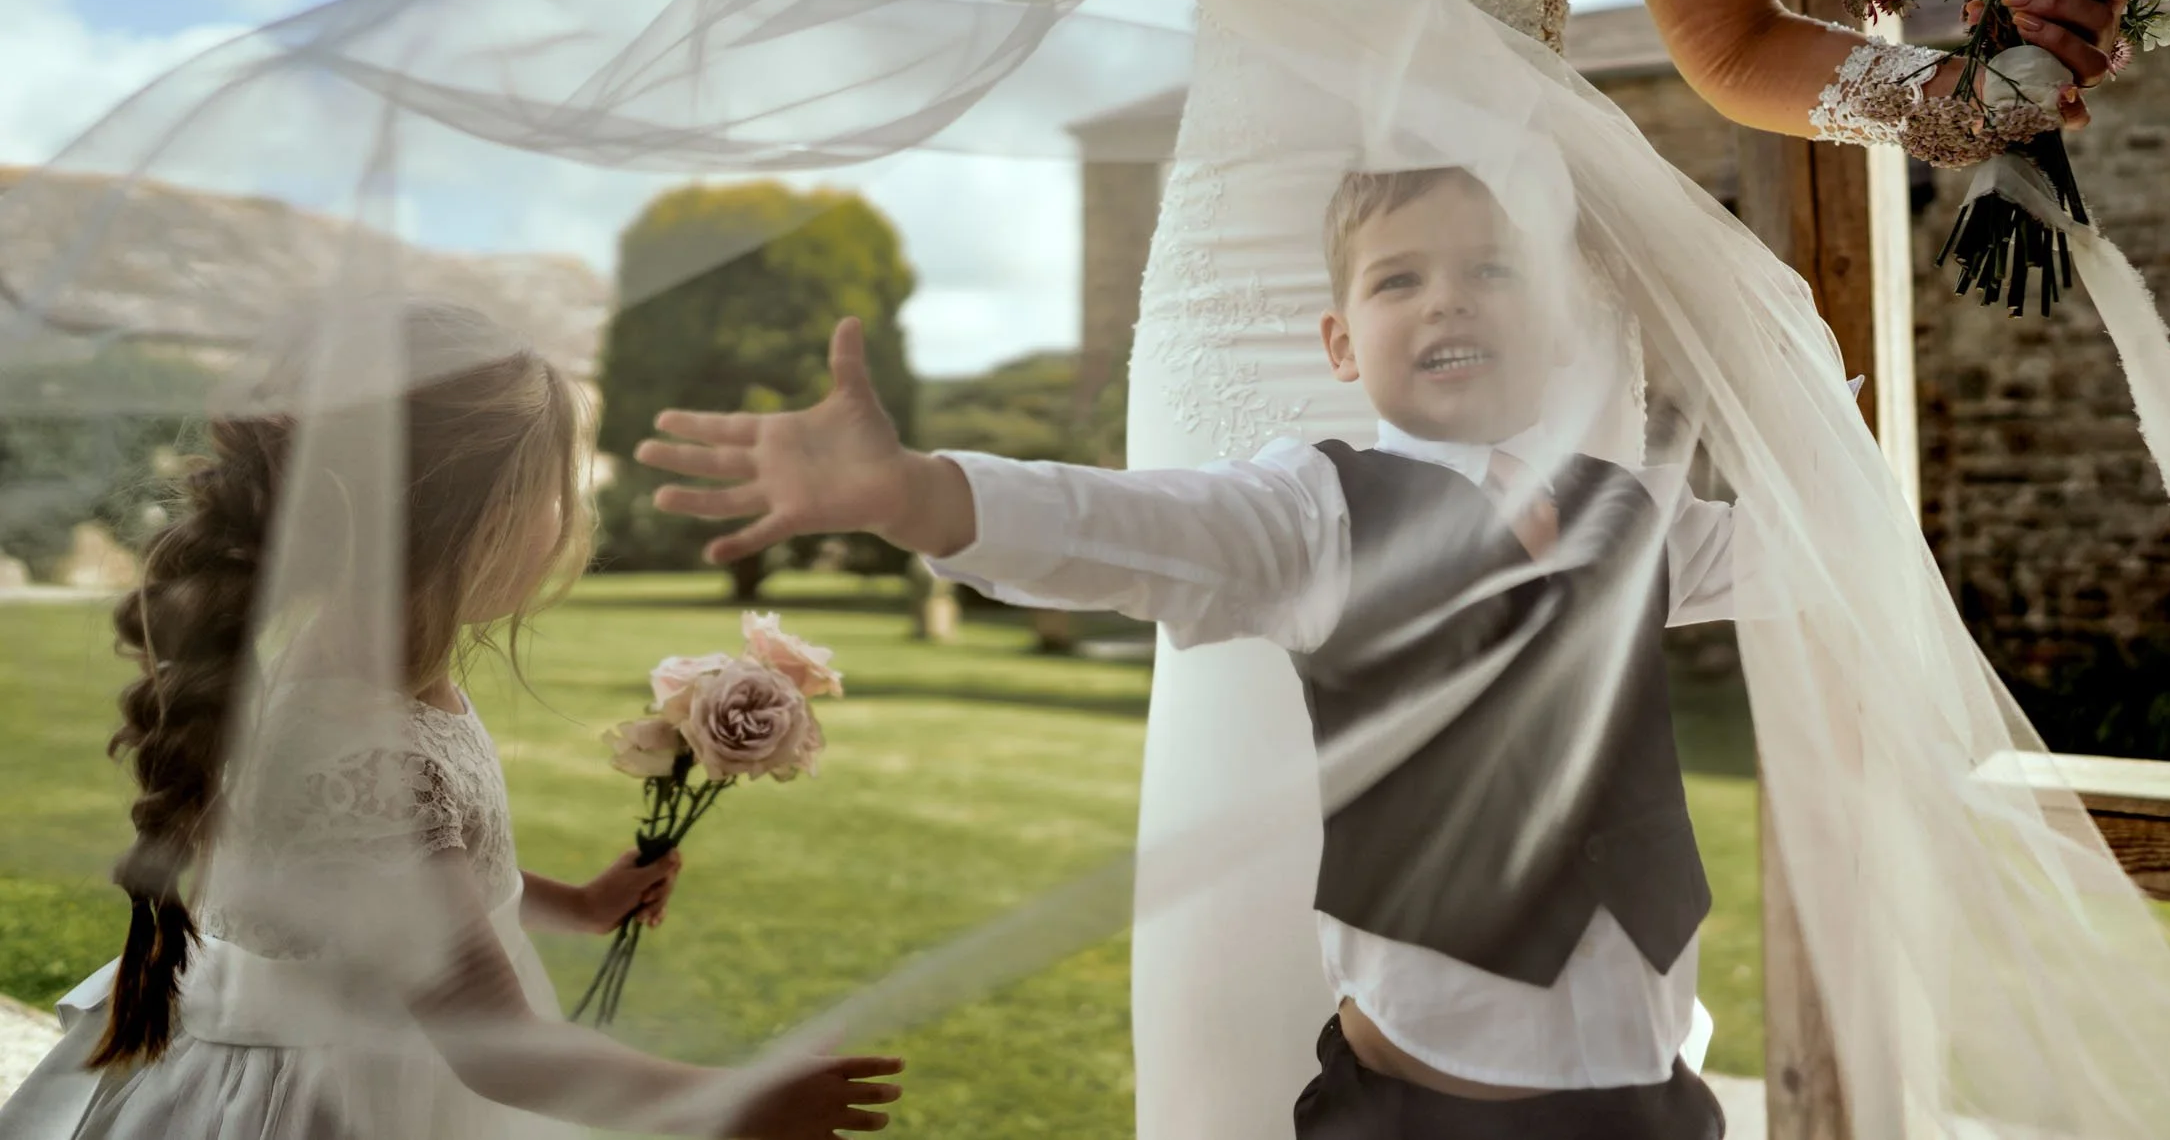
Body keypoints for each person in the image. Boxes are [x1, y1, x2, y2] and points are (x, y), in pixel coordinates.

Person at [350, 0, 2133, 1130]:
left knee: (1511, 789)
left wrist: (1973, 94)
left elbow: (1734, 45)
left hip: (1500, 305)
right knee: (1245, 790)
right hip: (1230, 296)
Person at [635, 165, 1737, 1138]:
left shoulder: (1630, 510)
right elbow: (1127, 527)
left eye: (1491, 270)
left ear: (1556, 325)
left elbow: (1812, 561)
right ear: (1341, 343)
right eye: (1397, 278)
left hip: (1653, 1090)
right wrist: (919, 493)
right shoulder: (1321, 511)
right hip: (1430, 1112)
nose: (1446, 294)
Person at [0, 302, 905, 1140]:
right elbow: (492, 1042)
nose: (572, 516)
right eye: (555, 487)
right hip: (341, 1099)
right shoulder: (366, 749)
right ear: (464, 517)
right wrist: (729, 1102)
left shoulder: (373, 679)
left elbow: (415, 876)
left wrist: (578, 904)